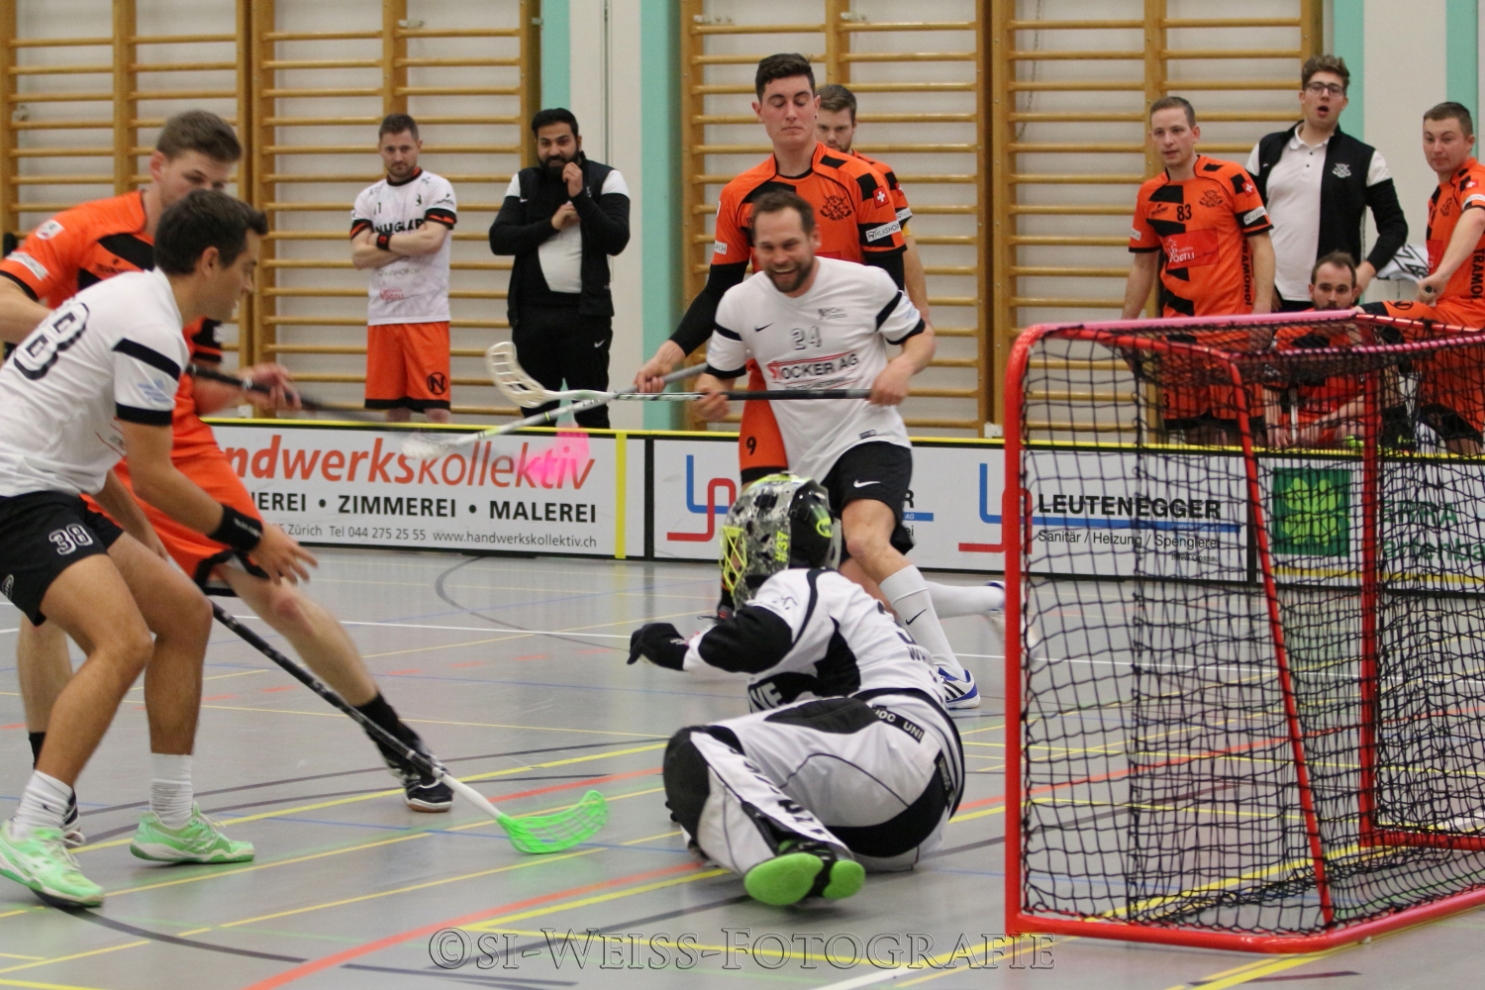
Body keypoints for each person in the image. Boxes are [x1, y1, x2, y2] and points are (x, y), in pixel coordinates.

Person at [0, 112, 453, 839]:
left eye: (217, 185)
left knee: (238, 601)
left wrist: (239, 386)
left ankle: (386, 743)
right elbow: (9, 307)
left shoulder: (174, 299)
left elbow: (176, 388)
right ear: (157, 169)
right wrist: (89, 337)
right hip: (61, 456)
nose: (204, 194)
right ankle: (48, 806)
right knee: (74, 622)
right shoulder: (94, 242)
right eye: (194, 180)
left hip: (147, 441)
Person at [0, 192, 314, 907]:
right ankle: (34, 830)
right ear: (209, 262)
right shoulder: (151, 328)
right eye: (247, 268)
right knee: (123, 642)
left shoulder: (134, 302)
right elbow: (155, 476)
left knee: (184, 614)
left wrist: (142, 543)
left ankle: (171, 819)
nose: (249, 285)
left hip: (53, 486)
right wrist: (252, 535)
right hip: (15, 492)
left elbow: (93, 450)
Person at [691, 190, 986, 709]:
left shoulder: (865, 283)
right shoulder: (739, 303)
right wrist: (710, 398)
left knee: (867, 541)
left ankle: (953, 676)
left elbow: (921, 339)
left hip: (871, 437)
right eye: (767, 248)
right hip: (808, 464)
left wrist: (901, 367)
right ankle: (995, 598)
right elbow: (720, 376)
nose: (780, 258)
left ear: (815, 238)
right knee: (857, 594)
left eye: (790, 245)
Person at [627, 474, 964, 907]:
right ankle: (805, 850)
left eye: (740, 544)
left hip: (891, 741)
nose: (734, 558)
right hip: (909, 820)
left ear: (768, 543)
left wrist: (670, 647)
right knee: (710, 780)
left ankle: (799, 845)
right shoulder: (827, 608)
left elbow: (755, 640)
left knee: (695, 748)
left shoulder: (804, 583)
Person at [633, 53, 906, 486]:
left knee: (855, 521)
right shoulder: (739, 195)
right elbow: (719, 292)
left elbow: (891, 284)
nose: (791, 112)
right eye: (778, 102)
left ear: (816, 105)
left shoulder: (863, 181)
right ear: (759, 111)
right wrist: (666, 357)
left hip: (847, 379)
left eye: (800, 100)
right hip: (775, 376)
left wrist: (901, 359)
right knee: (765, 513)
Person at [1123, 96, 1276, 444]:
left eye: (1177, 130)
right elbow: (1143, 266)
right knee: (1194, 440)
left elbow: (1262, 246)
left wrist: (1262, 310)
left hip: (1233, 330)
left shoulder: (1230, 177)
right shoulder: (1149, 194)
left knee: (1243, 437)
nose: (1168, 140)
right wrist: (1126, 327)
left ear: (1195, 133)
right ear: (1151, 138)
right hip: (1179, 336)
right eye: (1160, 133)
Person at [488, 108, 630, 428]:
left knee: (591, 413)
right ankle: (542, 464)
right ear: (536, 145)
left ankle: (597, 464)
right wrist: (552, 224)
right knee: (535, 416)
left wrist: (581, 199)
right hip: (531, 318)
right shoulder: (524, 182)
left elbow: (616, 240)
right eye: (546, 143)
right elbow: (499, 239)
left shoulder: (607, 179)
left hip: (585, 317)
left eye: (563, 141)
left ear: (578, 141)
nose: (554, 151)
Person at [1360, 102, 1485, 455]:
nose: (1436, 148)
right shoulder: (1439, 195)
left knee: (1367, 319)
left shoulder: (1474, 179)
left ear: (1469, 141)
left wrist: (1441, 275)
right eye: (1429, 139)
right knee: (1457, 433)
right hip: (1449, 323)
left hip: (1467, 320)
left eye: (1447, 138)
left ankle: (1396, 424)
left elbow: (1477, 217)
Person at [1247, 55, 1407, 310]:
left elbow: (1395, 227)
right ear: (1302, 96)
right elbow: (1244, 222)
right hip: (1272, 297)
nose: (1325, 95)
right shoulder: (1267, 149)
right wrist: (1258, 283)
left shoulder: (1365, 158)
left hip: (1332, 301)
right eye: (1316, 87)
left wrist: (1365, 271)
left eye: (1334, 90)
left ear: (1344, 102)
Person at [351, 113, 458, 424]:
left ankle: (438, 457)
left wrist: (380, 239)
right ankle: (399, 459)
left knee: (436, 409)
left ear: (419, 145)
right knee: (394, 409)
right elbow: (359, 257)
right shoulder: (368, 198)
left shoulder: (437, 188)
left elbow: (432, 241)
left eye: (405, 148)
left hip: (426, 314)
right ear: (379, 149)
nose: (398, 157)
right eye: (390, 149)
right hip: (383, 315)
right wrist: (411, 241)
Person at [815, 83, 930, 320]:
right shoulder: (792, 175)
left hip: (863, 305)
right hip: (809, 303)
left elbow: (903, 241)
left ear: (854, 126)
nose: (831, 137)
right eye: (823, 128)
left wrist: (922, 310)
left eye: (841, 128)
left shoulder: (878, 175)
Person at [1264, 252, 1370, 448]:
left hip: (1347, 424)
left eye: (1341, 290)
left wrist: (1322, 424)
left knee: (1355, 433)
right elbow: (1270, 388)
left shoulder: (1367, 333)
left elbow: (1376, 397)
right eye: (1325, 288)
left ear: (1354, 294)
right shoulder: (1289, 331)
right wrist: (1272, 426)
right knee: (1262, 434)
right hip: (1296, 427)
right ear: (1311, 290)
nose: (1332, 298)